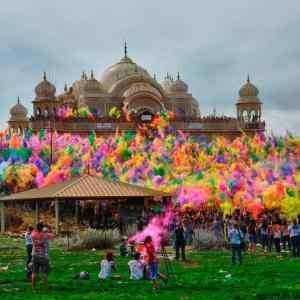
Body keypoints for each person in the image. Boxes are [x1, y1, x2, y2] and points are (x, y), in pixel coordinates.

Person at [31, 221, 54, 289]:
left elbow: (34, 231)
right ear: (42, 227)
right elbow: (52, 236)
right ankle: (45, 287)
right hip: (43, 255)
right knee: (44, 272)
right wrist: (49, 227)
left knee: (34, 272)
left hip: (35, 254)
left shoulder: (33, 234)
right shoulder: (45, 235)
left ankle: (33, 287)